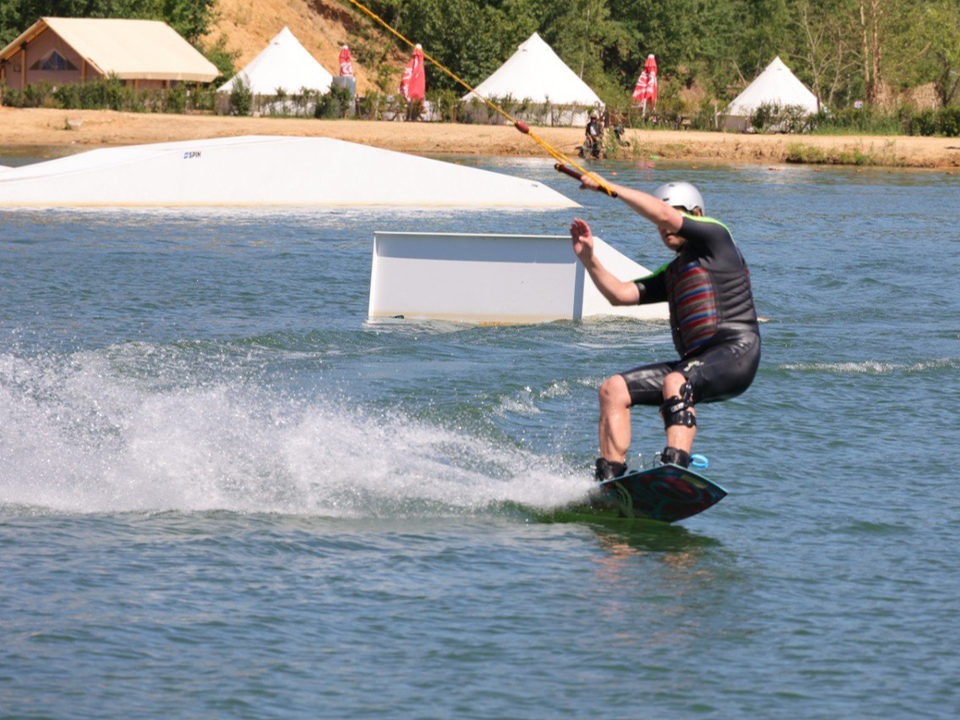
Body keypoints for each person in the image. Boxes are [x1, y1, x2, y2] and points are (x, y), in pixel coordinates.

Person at [569, 177, 761, 480]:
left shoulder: (717, 238)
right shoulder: (672, 273)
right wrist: (589, 259)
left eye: (670, 217)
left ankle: (674, 470)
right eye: (659, 225)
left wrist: (608, 187)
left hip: (736, 352)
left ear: (695, 214)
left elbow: (662, 213)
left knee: (675, 381)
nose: (663, 227)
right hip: (695, 363)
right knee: (613, 389)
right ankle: (610, 477)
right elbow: (620, 294)